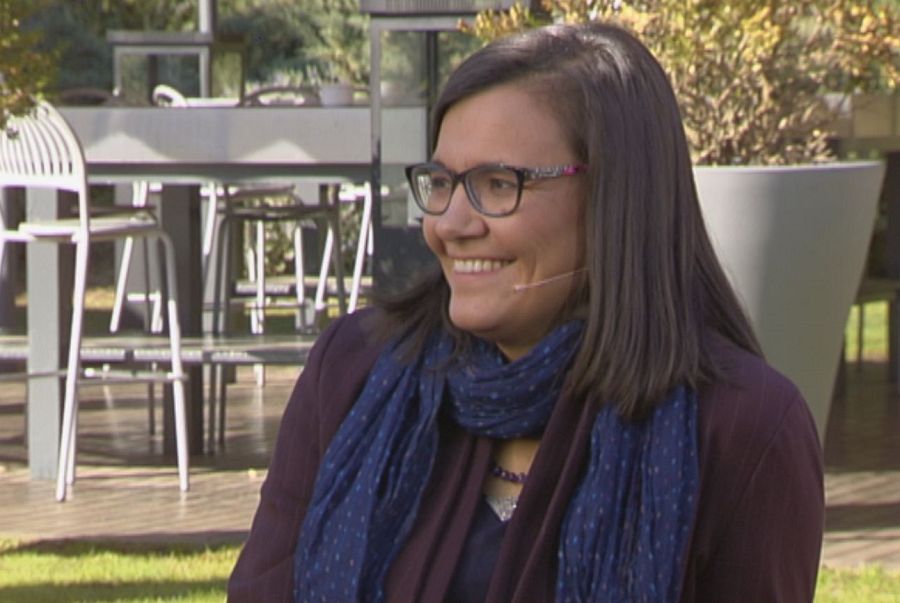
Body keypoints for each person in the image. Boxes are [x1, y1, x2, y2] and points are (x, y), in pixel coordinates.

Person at [228, 21, 824, 603]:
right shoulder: (354, 369)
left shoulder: (743, 428)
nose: (450, 225)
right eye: (441, 182)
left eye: (497, 183)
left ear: (616, 199)